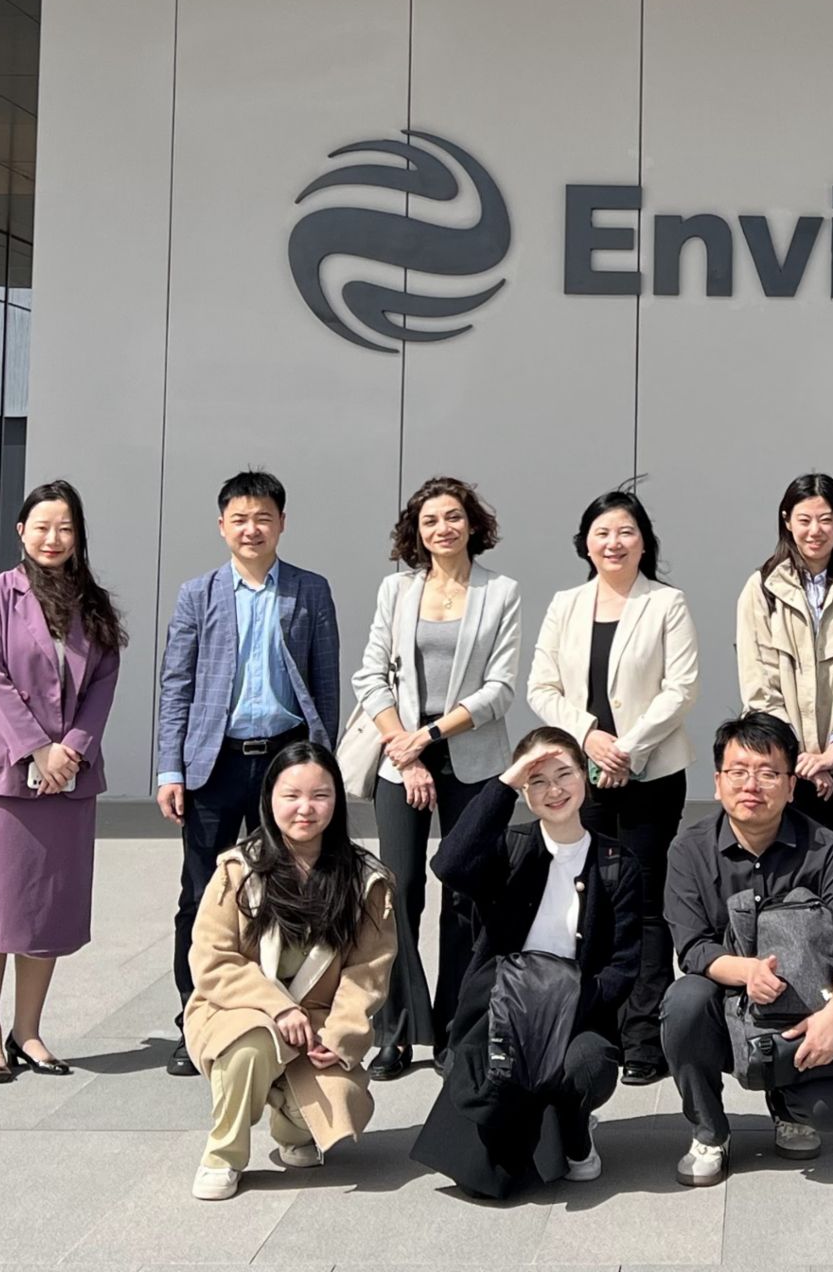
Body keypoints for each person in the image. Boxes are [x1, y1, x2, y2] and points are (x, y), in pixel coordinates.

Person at [157, 469, 341, 1077]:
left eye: (263, 517)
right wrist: (170, 768)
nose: (251, 529)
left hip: (284, 759)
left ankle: (283, 1013)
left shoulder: (310, 591)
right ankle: (196, 1019)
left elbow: (325, 684)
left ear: (282, 523)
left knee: (287, 888)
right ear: (222, 526)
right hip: (215, 763)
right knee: (200, 894)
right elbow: (177, 685)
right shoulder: (197, 594)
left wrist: (322, 764)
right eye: (239, 519)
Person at [410, 728, 643, 1196]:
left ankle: (576, 1132)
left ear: (586, 776)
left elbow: (622, 967)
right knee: (488, 1175)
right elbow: (449, 864)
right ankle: (536, 1119)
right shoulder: (510, 849)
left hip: (573, 1016)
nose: (554, 790)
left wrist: (564, 1005)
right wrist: (505, 782)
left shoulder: (616, 862)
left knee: (588, 1065)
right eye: (537, 781)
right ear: (523, 790)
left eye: (564, 774)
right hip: (501, 1013)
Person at [528, 487, 699, 1087]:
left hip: (652, 774)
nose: (614, 542)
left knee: (646, 903)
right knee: (593, 898)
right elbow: (541, 687)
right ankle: (597, 1025)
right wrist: (589, 736)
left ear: (643, 541)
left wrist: (627, 747)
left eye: (626, 531)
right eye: (602, 533)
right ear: (586, 544)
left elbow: (681, 688)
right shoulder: (566, 605)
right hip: (583, 777)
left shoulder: (666, 603)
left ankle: (645, 1035)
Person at [659, 712, 833, 1186]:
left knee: (829, 1111)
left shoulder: (825, 848)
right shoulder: (689, 850)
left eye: (768, 773)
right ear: (717, 782)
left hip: (804, 1009)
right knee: (684, 1002)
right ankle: (710, 1130)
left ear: (791, 785)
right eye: (738, 771)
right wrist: (747, 972)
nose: (751, 785)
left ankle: (788, 1106)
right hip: (725, 1003)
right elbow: (692, 947)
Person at [353, 475, 523, 1079]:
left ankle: (456, 1028)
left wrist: (427, 737)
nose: (442, 528)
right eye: (429, 520)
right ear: (416, 531)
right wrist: (406, 750)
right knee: (397, 890)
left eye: (452, 517)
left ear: (472, 524)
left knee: (464, 892)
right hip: (401, 755)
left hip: (470, 756)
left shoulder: (501, 592)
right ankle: (396, 1030)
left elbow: (500, 689)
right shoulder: (396, 590)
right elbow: (369, 675)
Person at [0, 481, 125, 1083]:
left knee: (46, 912)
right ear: (21, 531)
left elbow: (103, 681)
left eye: (66, 528)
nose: (53, 538)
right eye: (42, 526)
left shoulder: (92, 604)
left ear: (78, 536)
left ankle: (27, 1032)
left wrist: (71, 749)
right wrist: (36, 747)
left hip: (68, 783)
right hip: (0, 780)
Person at [182, 742, 397, 1201]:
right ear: (269, 799)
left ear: (337, 801)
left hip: (317, 1021)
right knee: (250, 1045)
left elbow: (367, 972)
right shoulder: (238, 870)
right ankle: (222, 1155)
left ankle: (290, 1121)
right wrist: (277, 1008)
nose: (305, 808)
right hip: (237, 1010)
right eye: (291, 795)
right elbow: (212, 959)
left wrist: (341, 1034)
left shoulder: (365, 879)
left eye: (320, 795)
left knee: (338, 1107)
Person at [736, 472, 833, 893]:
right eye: (804, 519)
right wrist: (801, 758)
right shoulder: (762, 588)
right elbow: (759, 683)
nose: (814, 530)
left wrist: (832, 754)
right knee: (785, 887)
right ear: (787, 521)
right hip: (783, 767)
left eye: (825, 519)